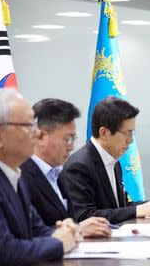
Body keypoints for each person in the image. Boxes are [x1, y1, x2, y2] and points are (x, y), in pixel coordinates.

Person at [61, 96, 150, 224]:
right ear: (104, 133)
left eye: (132, 134)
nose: (130, 140)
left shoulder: (114, 160)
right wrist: (136, 211)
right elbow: (84, 217)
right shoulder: (79, 166)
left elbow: (122, 205)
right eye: (128, 133)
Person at [0, 88, 79, 266]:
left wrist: (67, 230)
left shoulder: (15, 175)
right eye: (28, 126)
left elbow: (38, 229)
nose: (36, 134)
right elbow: (4, 251)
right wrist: (58, 243)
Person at [21, 99, 111, 238]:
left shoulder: (58, 173)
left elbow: (68, 220)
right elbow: (27, 233)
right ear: (41, 136)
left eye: (73, 139)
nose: (71, 146)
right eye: (67, 139)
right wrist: (78, 229)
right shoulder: (21, 175)